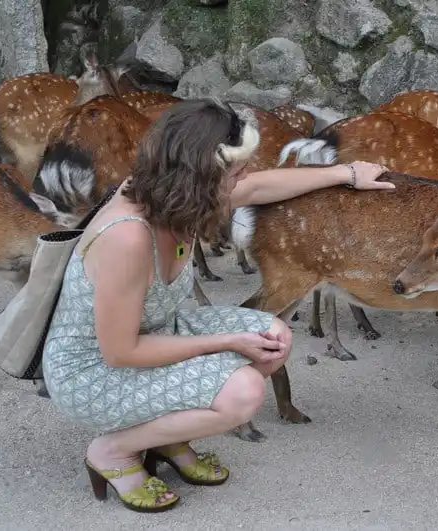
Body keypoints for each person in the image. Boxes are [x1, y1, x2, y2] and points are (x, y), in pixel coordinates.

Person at [41, 98, 393, 513]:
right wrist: (228, 341)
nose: (243, 177)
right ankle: (113, 450)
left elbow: (259, 187)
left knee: (272, 335)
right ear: (198, 177)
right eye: (235, 171)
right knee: (243, 393)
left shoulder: (177, 196)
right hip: (93, 372)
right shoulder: (128, 236)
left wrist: (348, 173)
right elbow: (120, 352)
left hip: (155, 334)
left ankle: (162, 433)